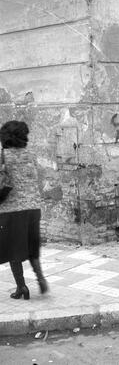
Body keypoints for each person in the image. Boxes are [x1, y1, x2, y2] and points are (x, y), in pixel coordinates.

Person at [0, 120, 48, 300]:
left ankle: (21, 287)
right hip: (34, 208)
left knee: (14, 251)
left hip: (11, 210)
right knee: (32, 247)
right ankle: (41, 279)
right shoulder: (31, 154)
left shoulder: (4, 156)